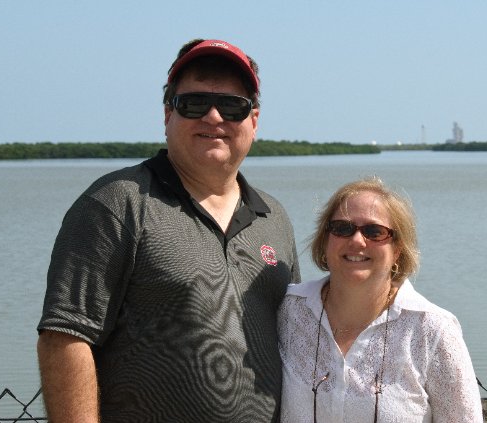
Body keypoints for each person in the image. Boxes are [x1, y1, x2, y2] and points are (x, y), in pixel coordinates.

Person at [37, 38, 300, 422]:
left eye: (232, 106)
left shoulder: (273, 217)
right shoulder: (116, 203)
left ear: (253, 122)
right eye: (193, 103)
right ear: (167, 115)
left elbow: (296, 338)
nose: (213, 117)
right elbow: (64, 338)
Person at [277, 177, 483, 422]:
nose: (356, 241)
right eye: (342, 228)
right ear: (325, 241)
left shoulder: (432, 330)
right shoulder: (288, 310)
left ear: (397, 250)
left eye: (374, 232)